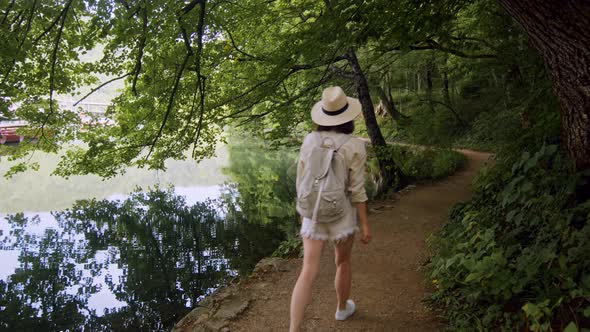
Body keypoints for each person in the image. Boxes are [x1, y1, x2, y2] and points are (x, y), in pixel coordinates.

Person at [289, 86, 371, 332]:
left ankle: (294, 329)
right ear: (348, 116)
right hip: (341, 214)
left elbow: (300, 179)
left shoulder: (309, 139)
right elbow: (357, 189)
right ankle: (341, 308)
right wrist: (365, 225)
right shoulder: (354, 145)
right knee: (342, 262)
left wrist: (302, 211)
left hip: (312, 212)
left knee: (308, 270)